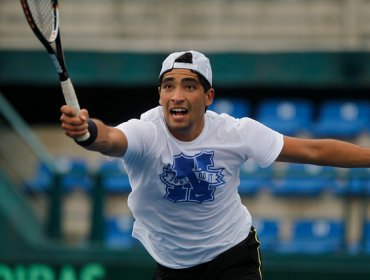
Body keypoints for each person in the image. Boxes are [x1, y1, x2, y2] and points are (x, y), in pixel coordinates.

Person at [60, 50, 370, 280]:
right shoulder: (145, 131)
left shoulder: (236, 132)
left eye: (189, 86)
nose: (177, 95)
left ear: (208, 96)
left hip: (232, 254)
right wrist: (88, 132)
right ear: (160, 94)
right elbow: (111, 138)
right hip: (172, 265)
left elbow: (314, 151)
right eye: (168, 86)